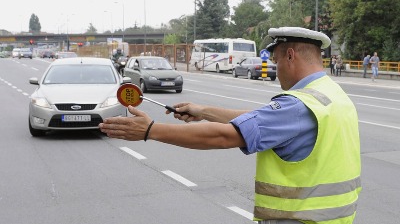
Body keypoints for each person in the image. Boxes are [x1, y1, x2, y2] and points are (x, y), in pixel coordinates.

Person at [99, 27, 361, 224]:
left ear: (290, 55)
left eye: (277, 61)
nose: (275, 69)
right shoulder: (332, 95)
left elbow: (225, 137)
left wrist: (150, 131)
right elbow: (263, 120)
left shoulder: (298, 106)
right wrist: (203, 111)